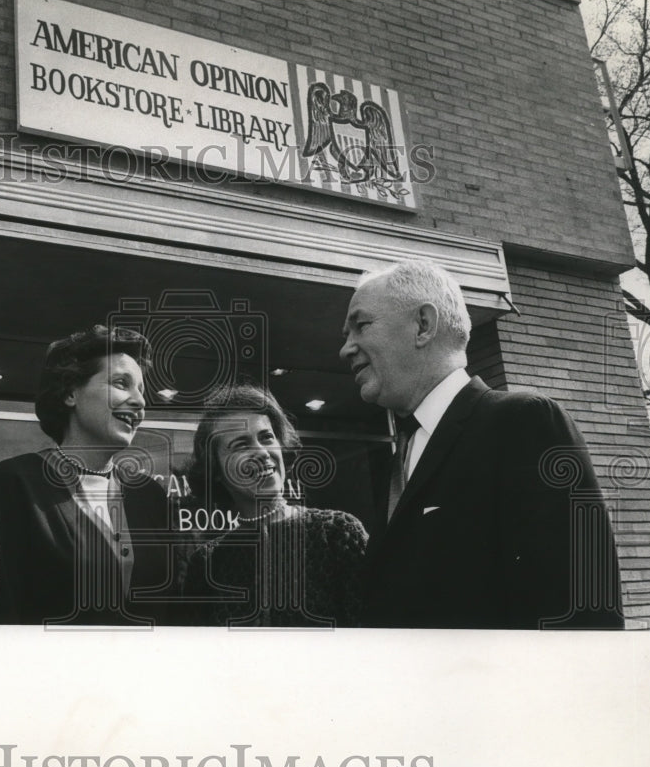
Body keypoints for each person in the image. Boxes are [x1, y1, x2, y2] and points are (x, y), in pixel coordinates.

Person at [339, 259, 625, 629]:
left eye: (360, 326)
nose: (346, 349)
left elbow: (582, 614)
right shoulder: (400, 457)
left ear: (423, 325)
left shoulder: (524, 422)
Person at [0, 325, 179, 626]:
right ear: (70, 392)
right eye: (121, 383)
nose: (140, 401)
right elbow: (5, 609)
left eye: (141, 389)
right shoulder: (17, 482)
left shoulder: (149, 495)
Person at [180, 385, 369, 627]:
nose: (262, 452)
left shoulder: (337, 533)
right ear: (215, 469)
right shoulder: (207, 564)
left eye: (266, 437)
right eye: (241, 445)